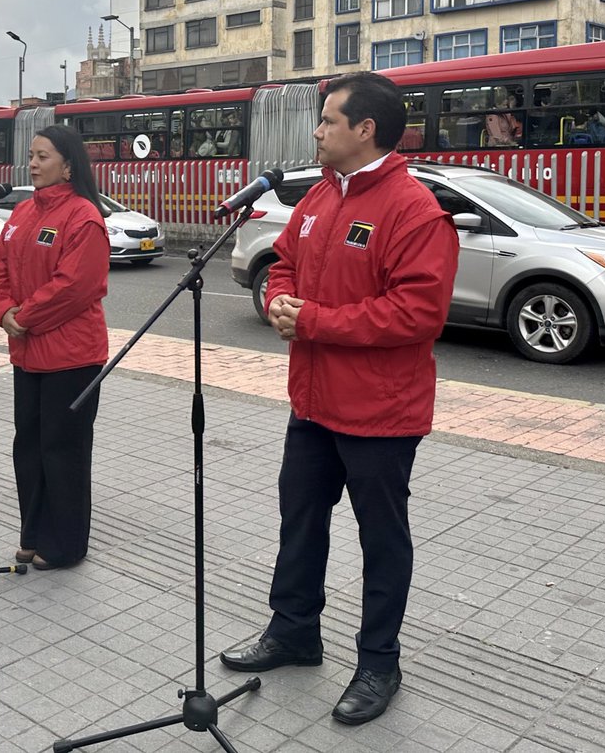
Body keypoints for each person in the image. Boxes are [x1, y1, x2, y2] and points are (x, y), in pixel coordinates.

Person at [219, 72, 459, 727]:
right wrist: (275, 300)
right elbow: (286, 264)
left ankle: (379, 660)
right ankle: (294, 630)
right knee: (299, 519)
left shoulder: (414, 212)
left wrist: (314, 321)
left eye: (328, 120)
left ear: (365, 131)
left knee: (381, 540)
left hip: (381, 413)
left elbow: (416, 314)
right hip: (313, 402)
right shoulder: (320, 199)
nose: (317, 131)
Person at [0, 126, 110, 571]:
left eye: (43, 156)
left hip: (72, 357)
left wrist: (24, 317)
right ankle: (33, 533)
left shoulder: (84, 217)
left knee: (64, 450)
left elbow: (76, 287)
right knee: (30, 446)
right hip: (27, 353)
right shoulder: (21, 212)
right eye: (31, 156)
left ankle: (66, 544)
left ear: (69, 164)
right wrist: (2, 311)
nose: (33, 164)